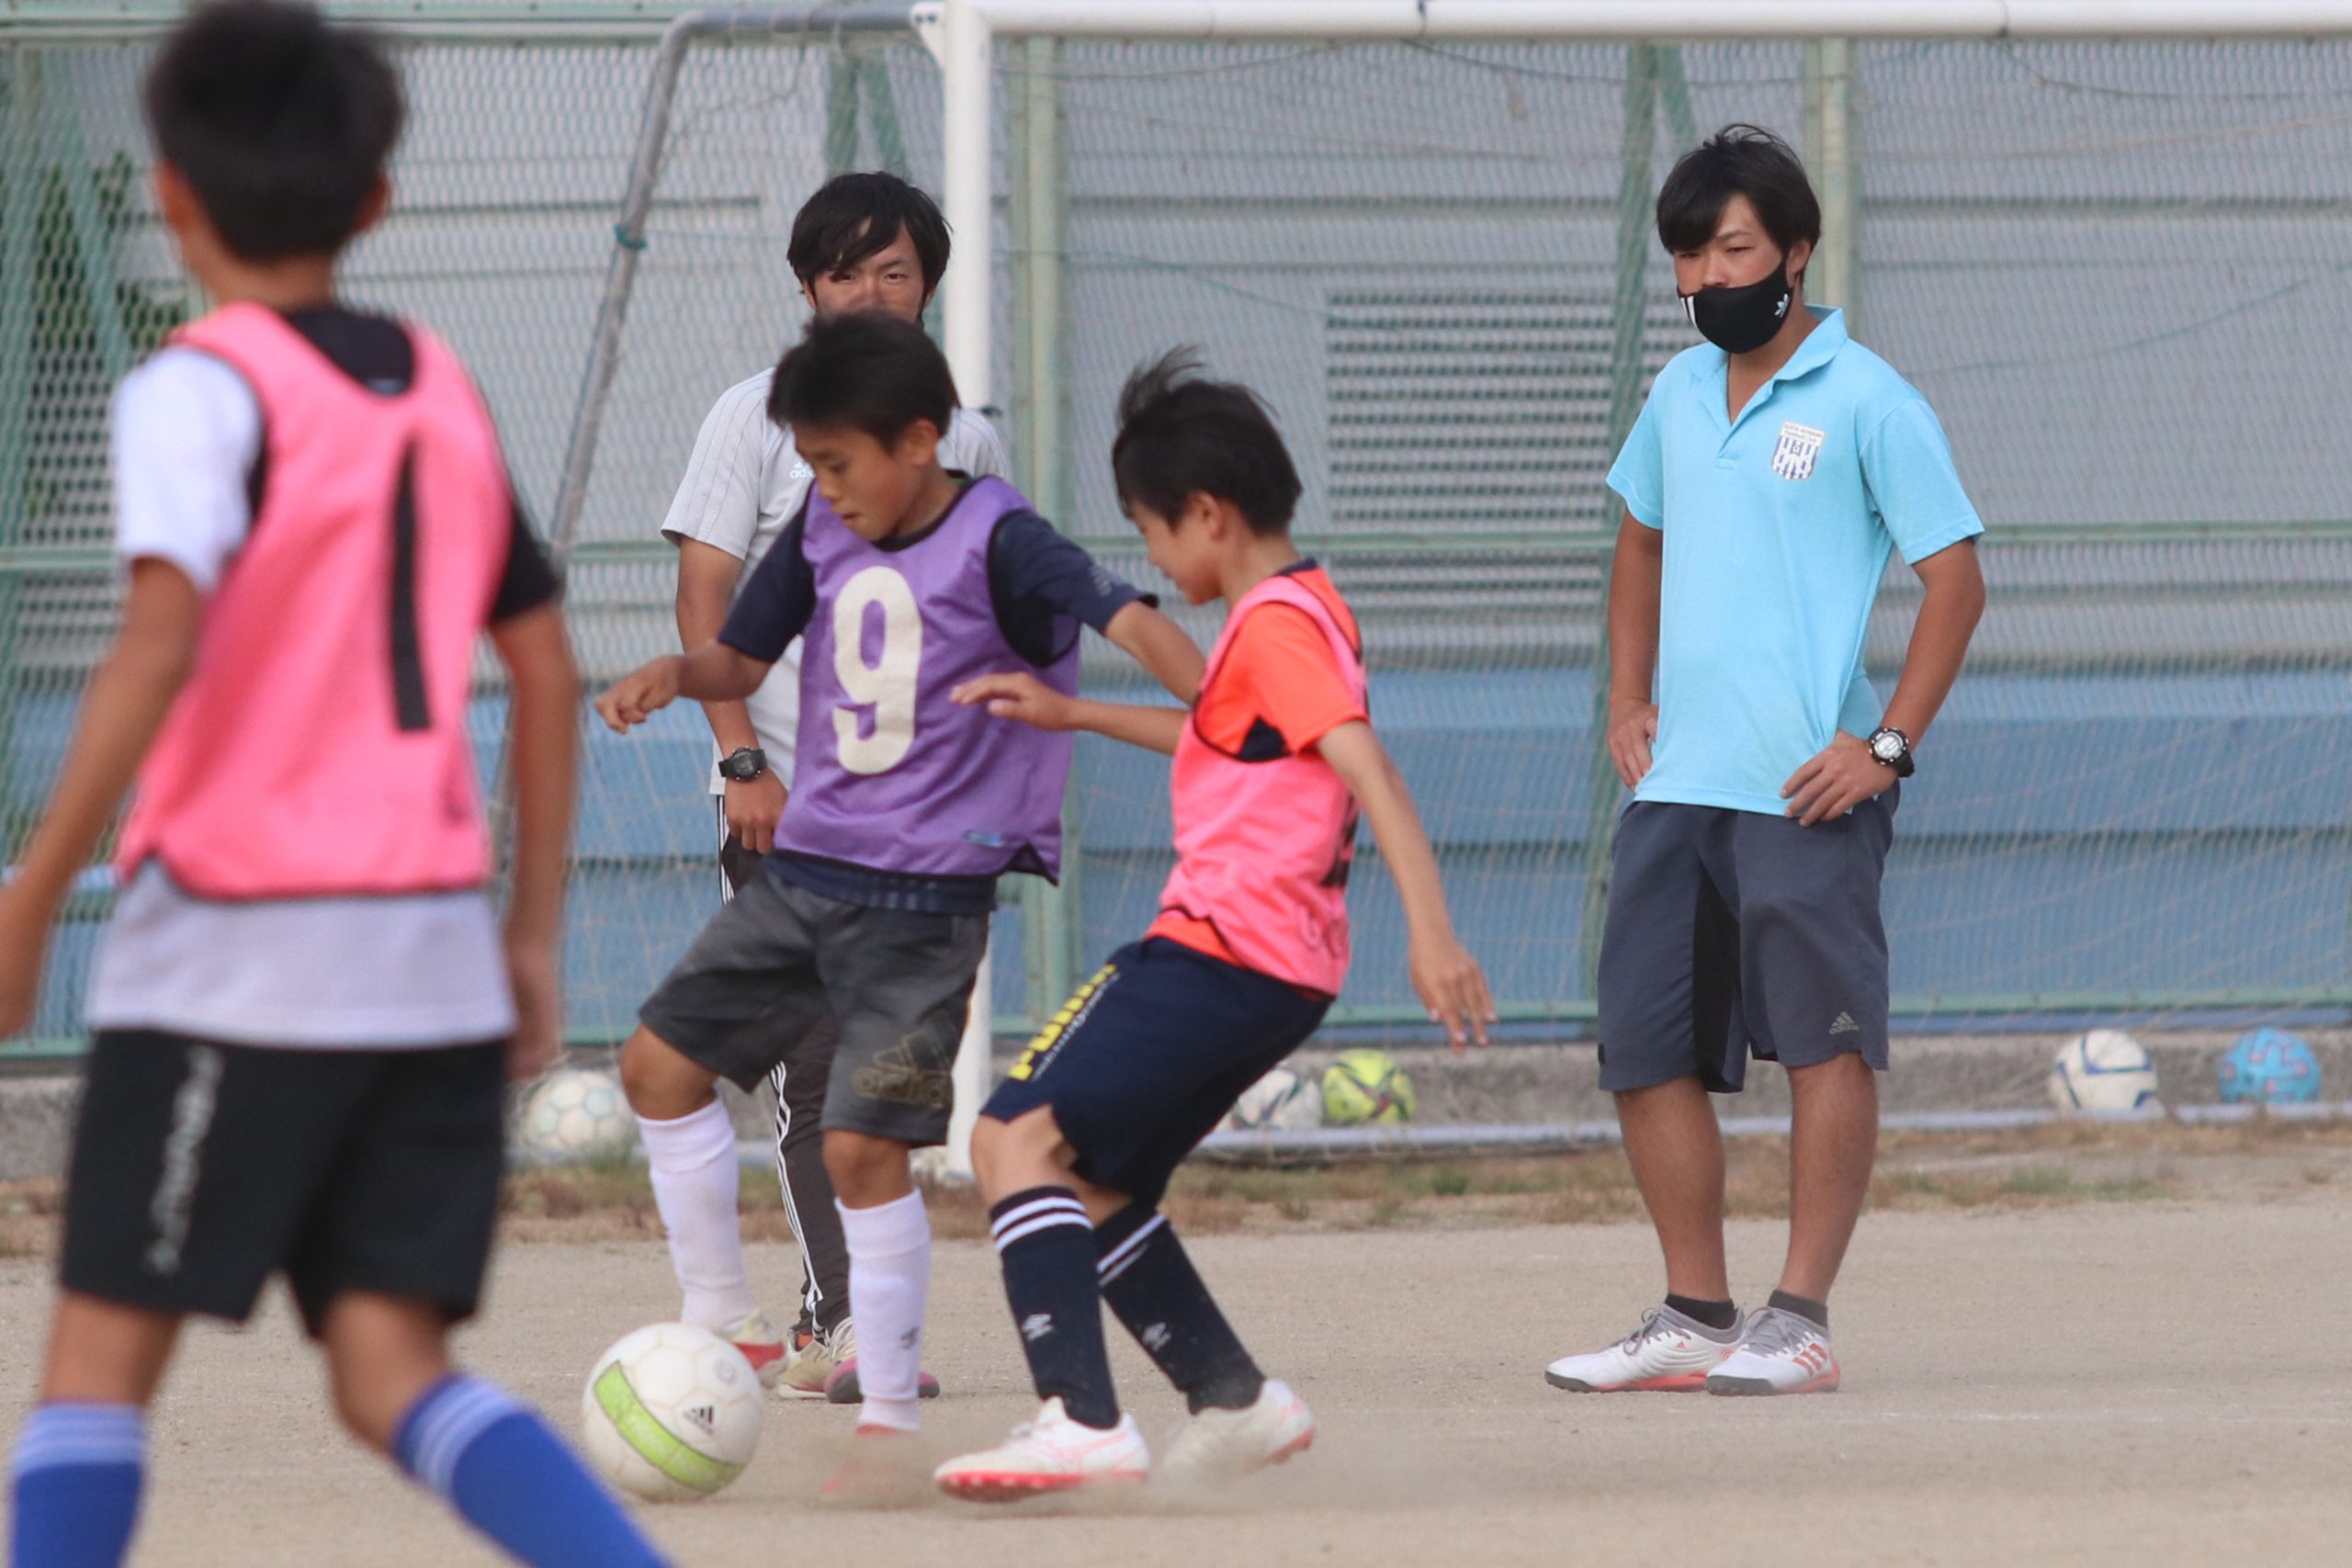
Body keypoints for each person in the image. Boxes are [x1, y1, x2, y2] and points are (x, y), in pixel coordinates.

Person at [0, 7, 669, 1566]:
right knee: (391, 1369)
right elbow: (547, 670)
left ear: (170, 192)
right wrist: (527, 937)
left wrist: (29, 897)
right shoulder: (434, 384)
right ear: (374, 201)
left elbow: (159, 642)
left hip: (238, 946)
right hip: (429, 951)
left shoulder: (194, 387)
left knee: (97, 1364)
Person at [594, 310, 1202, 1482]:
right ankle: (721, 1317)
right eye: (811, 466)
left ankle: (885, 1418)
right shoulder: (825, 528)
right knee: (655, 1069)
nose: (824, 488)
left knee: (862, 1149)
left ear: (920, 441)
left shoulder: (1003, 536)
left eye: (837, 464)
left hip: (924, 907)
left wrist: (1226, 707)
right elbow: (742, 657)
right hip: (804, 874)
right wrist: (680, 672)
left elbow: (1130, 620)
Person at [929, 351, 1494, 1500]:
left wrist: (1433, 934)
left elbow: (1368, 770)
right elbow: (1229, 742)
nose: (1152, 560)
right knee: (1088, 1184)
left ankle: (1080, 1422)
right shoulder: (1297, 611)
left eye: (1151, 533)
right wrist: (1072, 711)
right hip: (1272, 967)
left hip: (1223, 948)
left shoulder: (1275, 627)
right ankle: (1235, 1402)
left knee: (1009, 1138)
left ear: (1207, 513)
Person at [1544, 125, 1985, 1398]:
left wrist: (1886, 747)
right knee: (1644, 1050)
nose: (1706, 278)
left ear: (1795, 250)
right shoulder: (1678, 394)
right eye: (1687, 257)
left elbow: (1955, 580)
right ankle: (1694, 1313)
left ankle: (1800, 1320)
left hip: (1805, 792)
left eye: (1731, 249)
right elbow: (1640, 541)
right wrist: (1627, 697)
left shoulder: (1871, 400)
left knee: (1824, 1044)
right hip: (1676, 785)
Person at [658, 171, 1011, 1398]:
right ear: (808, 289)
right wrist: (740, 759)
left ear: (927, 288)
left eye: (893, 271)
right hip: (787, 805)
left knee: (884, 1077)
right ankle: (846, 1325)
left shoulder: (964, 438)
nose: (868, 293)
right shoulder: (750, 416)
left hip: (917, 827)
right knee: (812, 1064)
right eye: (843, 272)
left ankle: (827, 1324)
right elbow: (704, 596)